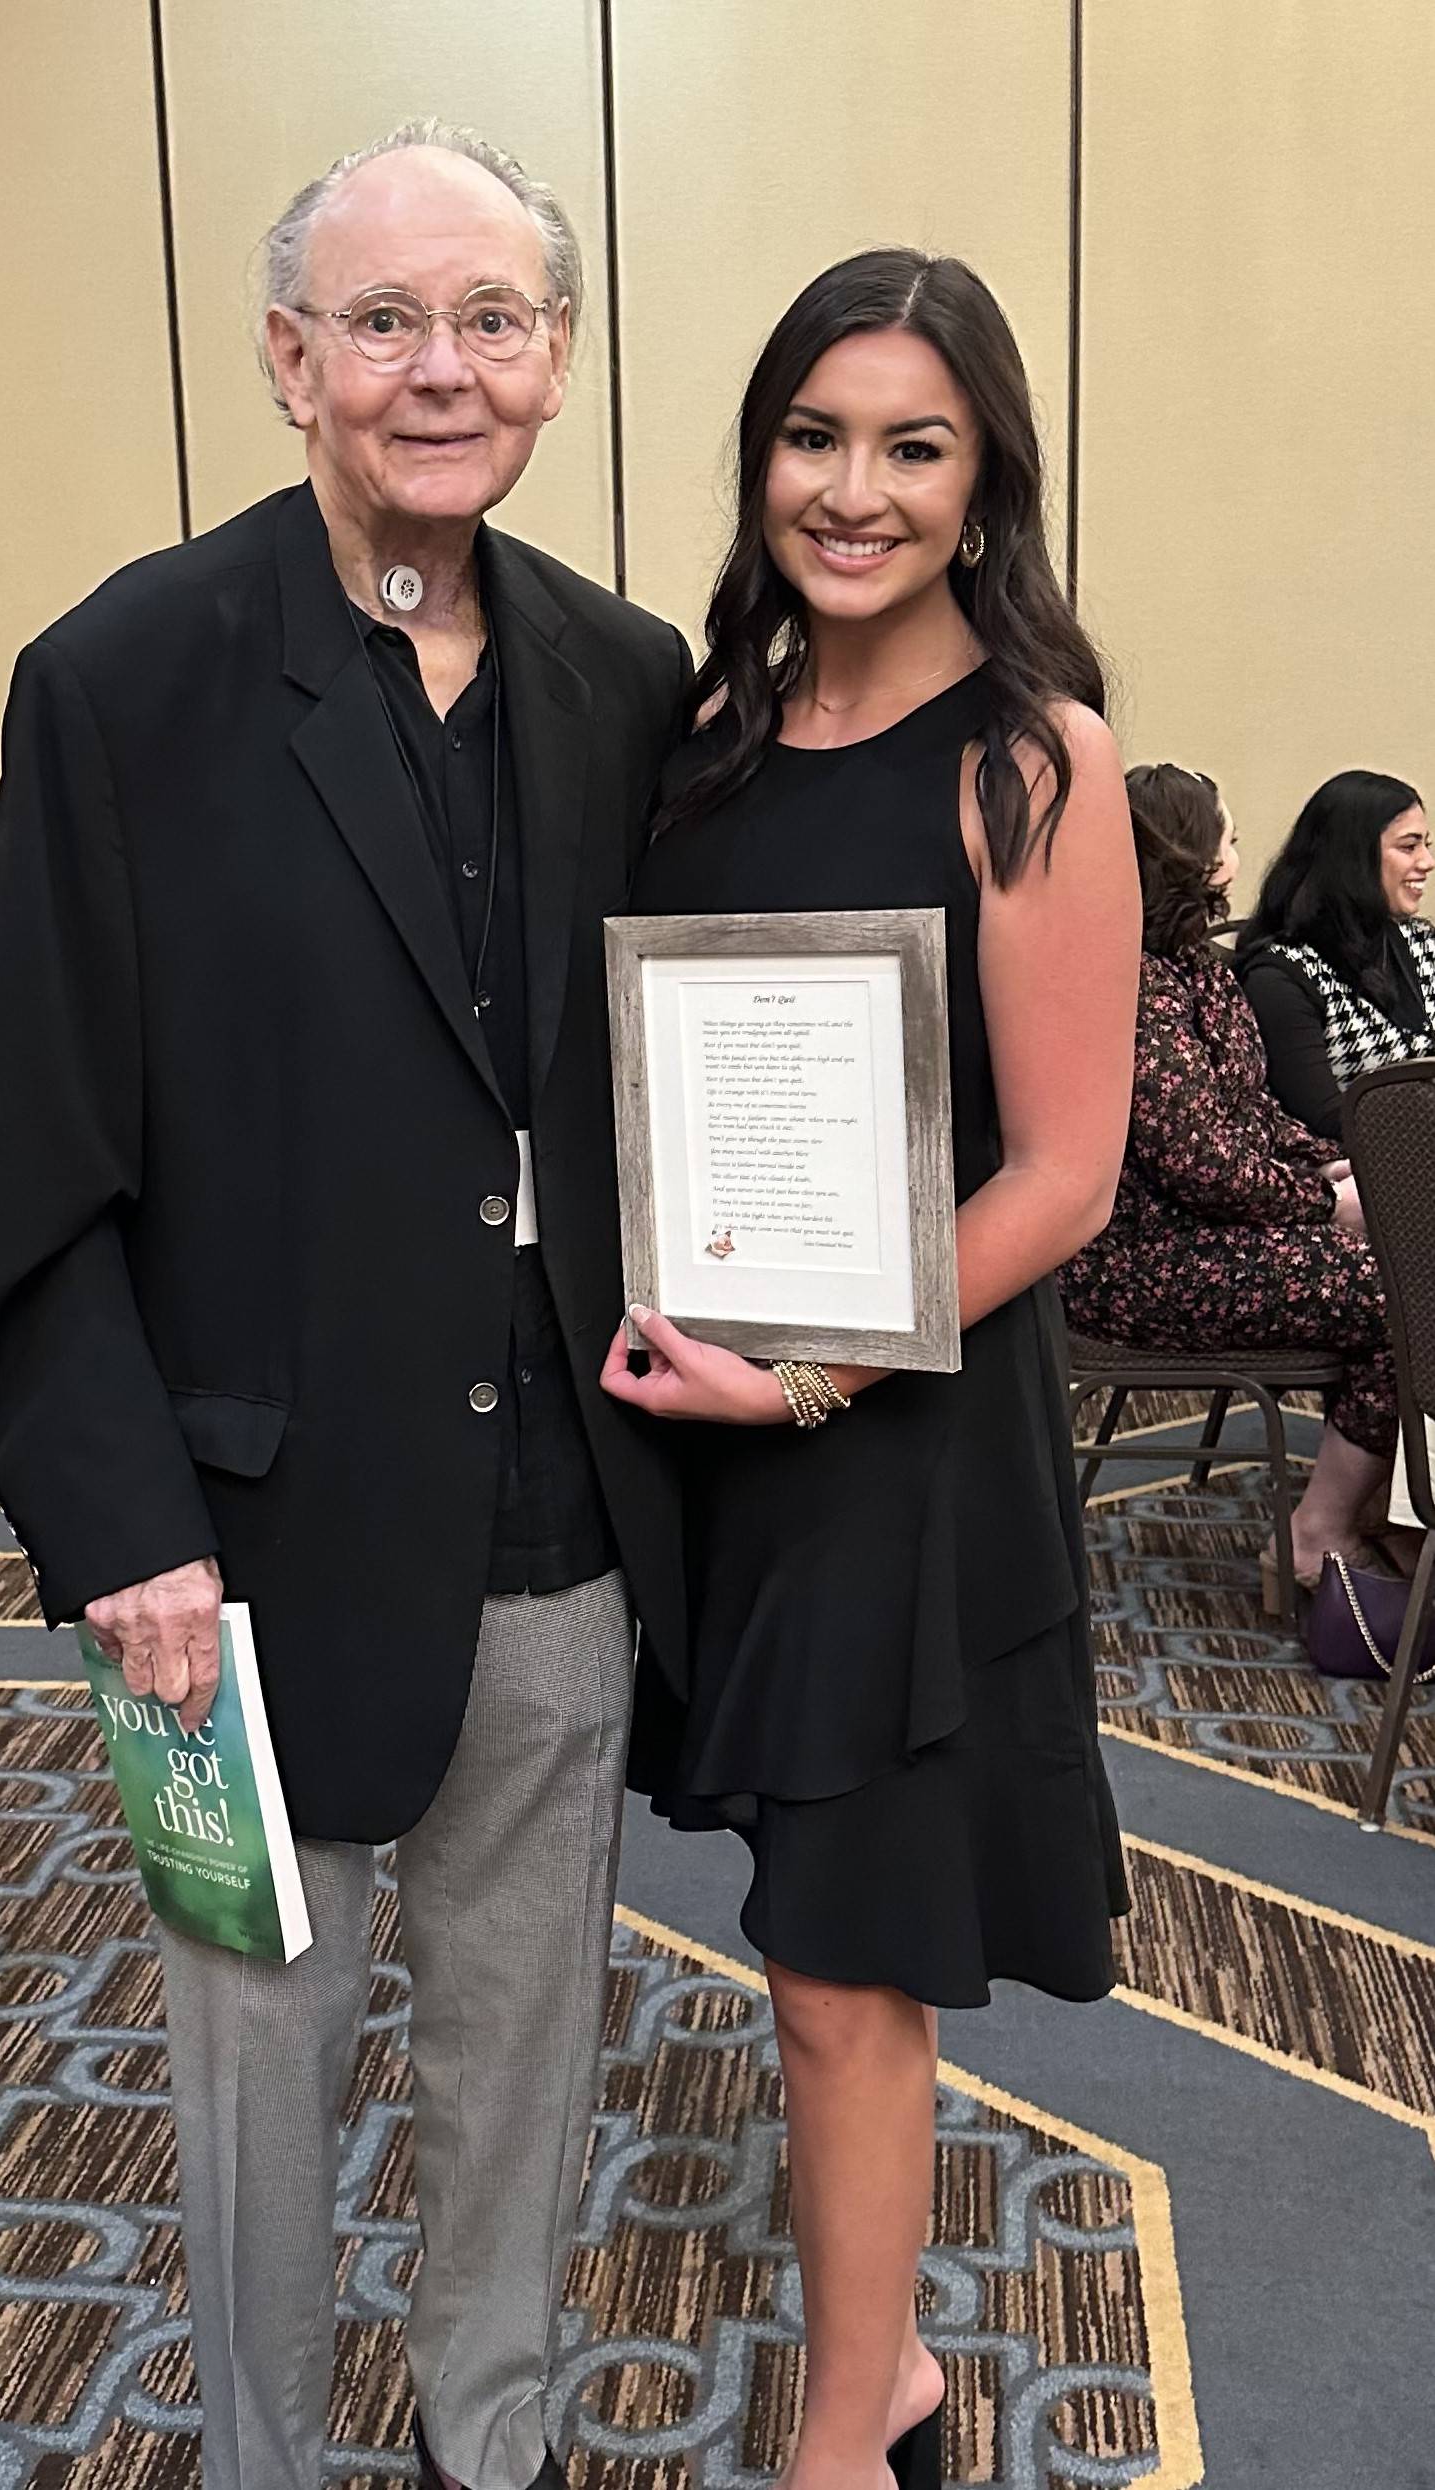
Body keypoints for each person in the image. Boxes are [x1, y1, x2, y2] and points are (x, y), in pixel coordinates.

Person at [0, 122, 691, 2490]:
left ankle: (492, 2432)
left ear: (557, 359)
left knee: (527, 2054)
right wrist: (121, 1531)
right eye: (382, 322)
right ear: (288, 357)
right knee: (257, 2076)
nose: (436, 368)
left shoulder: (624, 675)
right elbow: (28, 1175)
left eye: (488, 318)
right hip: (229, 1575)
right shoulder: (124, 681)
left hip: (558, 1524)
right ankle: (263, 2453)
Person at [601, 250, 1139, 2490]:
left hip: (889, 1444)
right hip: (716, 1428)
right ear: (758, 457)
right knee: (787, 1918)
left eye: (911, 445)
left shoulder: (1032, 761)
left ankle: (856, 2427)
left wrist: (801, 1380)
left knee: (840, 1962)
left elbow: (1066, 1178)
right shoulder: (706, 746)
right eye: (813, 435)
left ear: (984, 475)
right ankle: (886, 2373)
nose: (852, 488)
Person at [1059, 764, 1401, 1591]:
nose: (1240, 850)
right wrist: (1324, 1204)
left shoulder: (1197, 965)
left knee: (1407, 1272)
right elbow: (1196, 1162)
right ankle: (1318, 1534)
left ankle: (1369, 1517)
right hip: (1135, 1260)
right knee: (1403, 1293)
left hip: (1213, 1237)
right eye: (1230, 834)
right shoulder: (1129, 977)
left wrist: (1329, 1161)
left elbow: (1245, 1113)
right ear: (1192, 855)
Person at [1238, 770, 1434, 1138]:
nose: (1426, 862)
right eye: (1409, 847)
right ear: (1352, 857)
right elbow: (1327, 1119)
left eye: (1427, 845)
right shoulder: (1280, 978)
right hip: (1374, 1182)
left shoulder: (1421, 943)